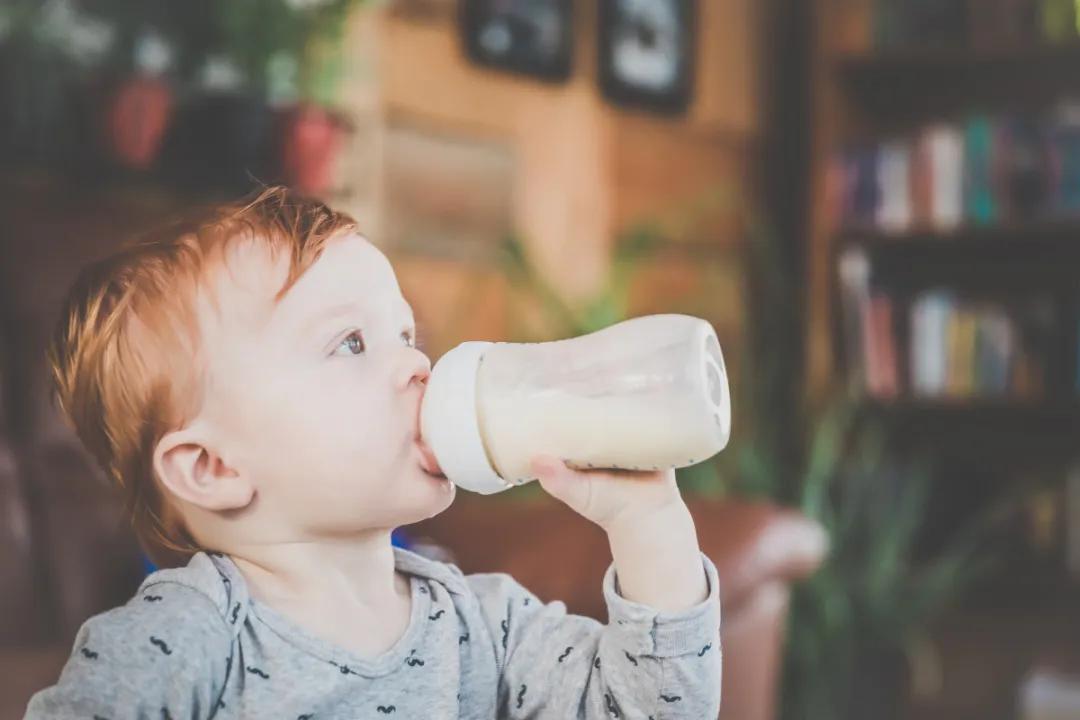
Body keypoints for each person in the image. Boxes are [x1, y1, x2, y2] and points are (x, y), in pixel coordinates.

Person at [25, 186, 721, 719]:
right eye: (351, 343)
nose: (418, 366)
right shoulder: (180, 640)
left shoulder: (485, 624)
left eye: (406, 334)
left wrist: (649, 524)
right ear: (215, 467)